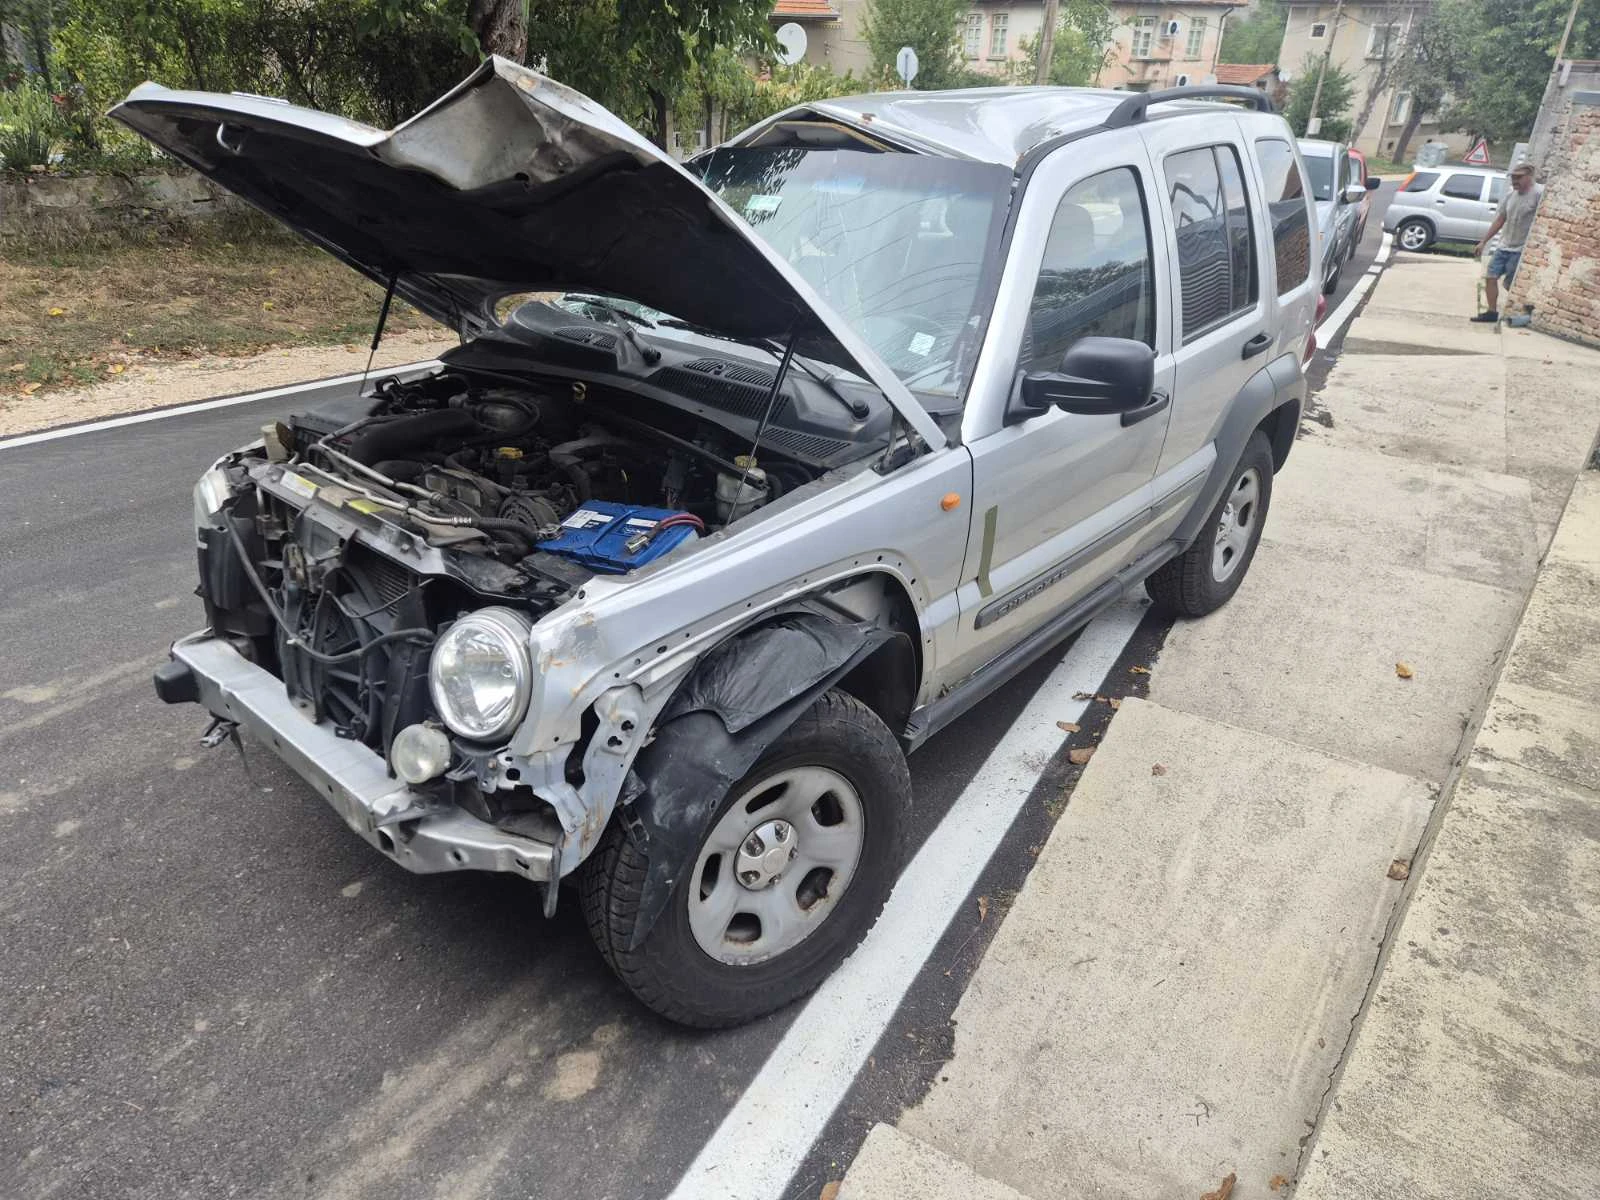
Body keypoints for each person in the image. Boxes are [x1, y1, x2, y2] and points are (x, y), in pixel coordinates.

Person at [1471, 162, 1543, 323]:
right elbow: (1501, 219)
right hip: (1504, 245)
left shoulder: (1540, 193)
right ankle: (1491, 312)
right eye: (1513, 177)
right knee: (1490, 276)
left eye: (1518, 177)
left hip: (1522, 248)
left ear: (1529, 177)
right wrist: (1483, 242)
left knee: (1510, 284)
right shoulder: (1511, 195)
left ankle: (1526, 313)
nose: (1514, 181)